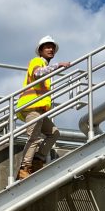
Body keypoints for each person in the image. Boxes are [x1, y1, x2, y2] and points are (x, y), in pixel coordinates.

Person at [16, 35, 69, 180]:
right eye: (47, 47)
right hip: (31, 106)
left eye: (52, 47)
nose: (51, 49)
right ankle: (24, 168)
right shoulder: (37, 61)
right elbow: (37, 73)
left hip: (39, 109)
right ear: (40, 50)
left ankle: (37, 160)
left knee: (54, 133)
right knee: (34, 138)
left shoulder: (45, 66)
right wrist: (57, 65)